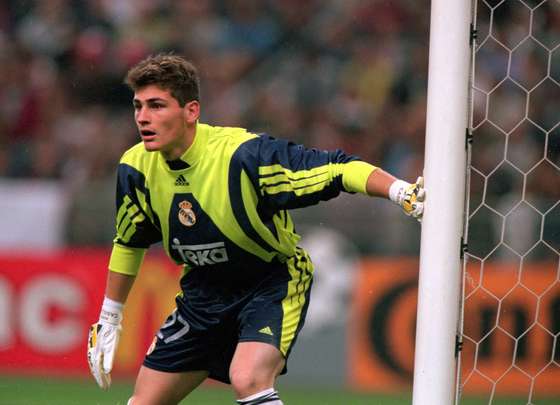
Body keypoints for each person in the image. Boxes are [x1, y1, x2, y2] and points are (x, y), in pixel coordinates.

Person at [86, 53, 425, 405]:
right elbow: (129, 241)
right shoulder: (135, 167)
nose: (143, 118)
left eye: (156, 106)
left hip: (269, 281)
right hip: (202, 292)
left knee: (248, 379)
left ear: (191, 111)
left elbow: (337, 168)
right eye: (138, 106)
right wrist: (110, 318)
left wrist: (398, 190)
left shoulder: (244, 156)